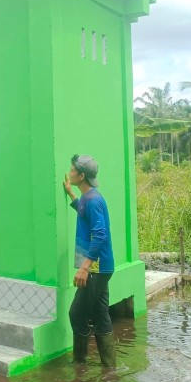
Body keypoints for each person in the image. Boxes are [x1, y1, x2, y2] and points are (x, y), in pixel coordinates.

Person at [63, 153, 116, 367]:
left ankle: (79, 364)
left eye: (73, 170)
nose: (70, 172)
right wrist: (71, 195)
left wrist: (84, 267)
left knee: (76, 313)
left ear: (82, 175)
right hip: (102, 267)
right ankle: (109, 368)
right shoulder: (88, 197)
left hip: (96, 268)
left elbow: (100, 235)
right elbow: (84, 211)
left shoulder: (93, 201)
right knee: (101, 313)